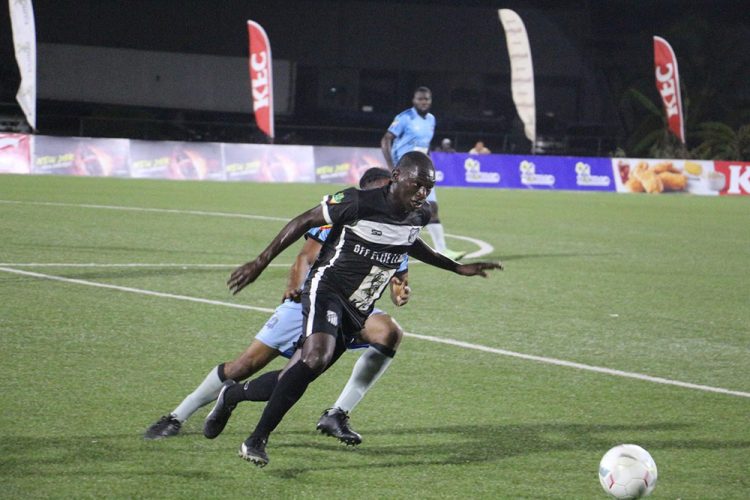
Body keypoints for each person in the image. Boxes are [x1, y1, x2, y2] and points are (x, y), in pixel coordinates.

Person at [216, 151, 502, 467]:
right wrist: (259, 262)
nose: (423, 194)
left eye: (428, 188)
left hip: (359, 307)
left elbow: (411, 243)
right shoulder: (358, 202)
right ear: (397, 176)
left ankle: (232, 396)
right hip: (327, 291)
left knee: (299, 373)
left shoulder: (418, 214)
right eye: (417, 185)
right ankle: (256, 440)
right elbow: (304, 220)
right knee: (315, 358)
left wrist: (457, 268)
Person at [144, 167, 409, 445]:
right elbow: (306, 257)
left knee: (388, 332)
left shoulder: (400, 226)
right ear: (367, 190)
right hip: (312, 299)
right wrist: (294, 285)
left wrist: (401, 291)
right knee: (244, 366)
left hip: (354, 309)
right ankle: (177, 416)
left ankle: (337, 413)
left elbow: (396, 278)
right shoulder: (347, 213)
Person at [380, 87, 465, 261]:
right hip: (405, 171)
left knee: (432, 208)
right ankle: (384, 242)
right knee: (401, 209)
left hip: (422, 171)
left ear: (430, 100)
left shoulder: (431, 120)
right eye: (420, 99)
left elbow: (424, 145)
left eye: (426, 99)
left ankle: (442, 250)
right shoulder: (405, 117)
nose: (423, 102)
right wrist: (391, 167)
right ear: (414, 100)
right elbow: (386, 139)